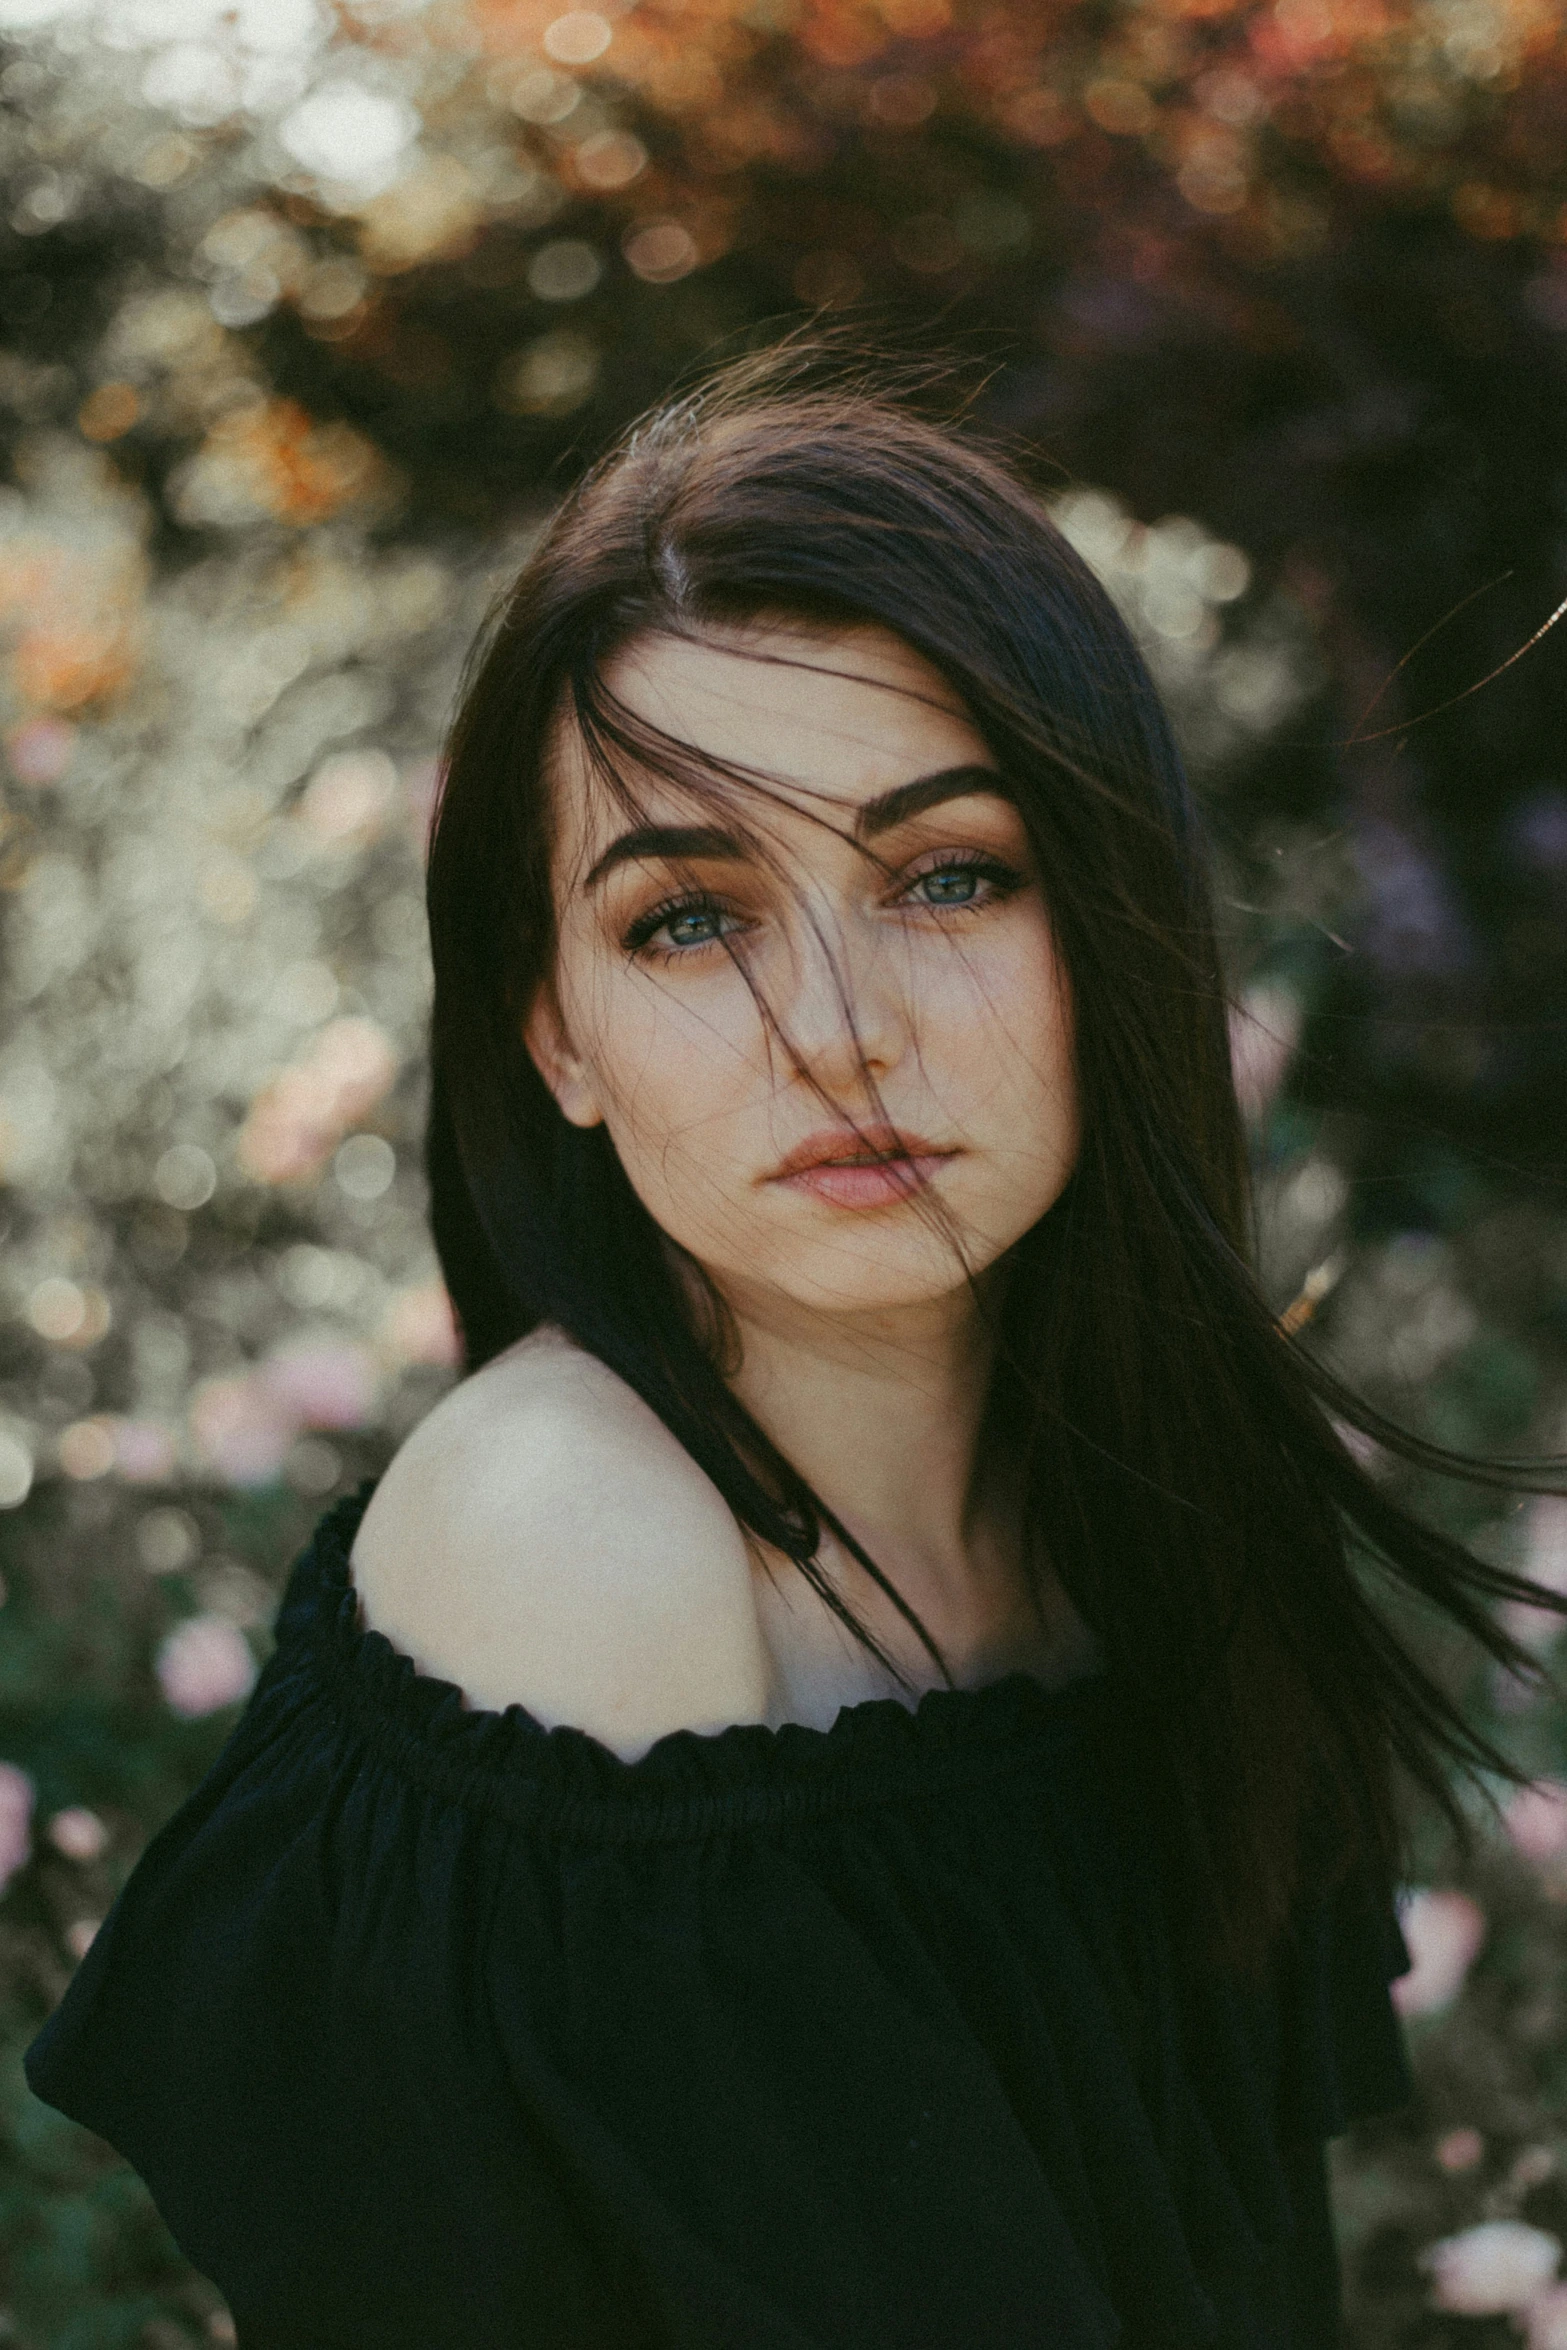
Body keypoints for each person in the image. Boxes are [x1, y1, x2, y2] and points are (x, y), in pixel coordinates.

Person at [23, 346, 1567, 2350]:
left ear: (1110, 934)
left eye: (946, 875)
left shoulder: (1124, 1492)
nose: (836, 1023)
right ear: (551, 1032)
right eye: (690, 916)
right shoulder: (583, 1553)